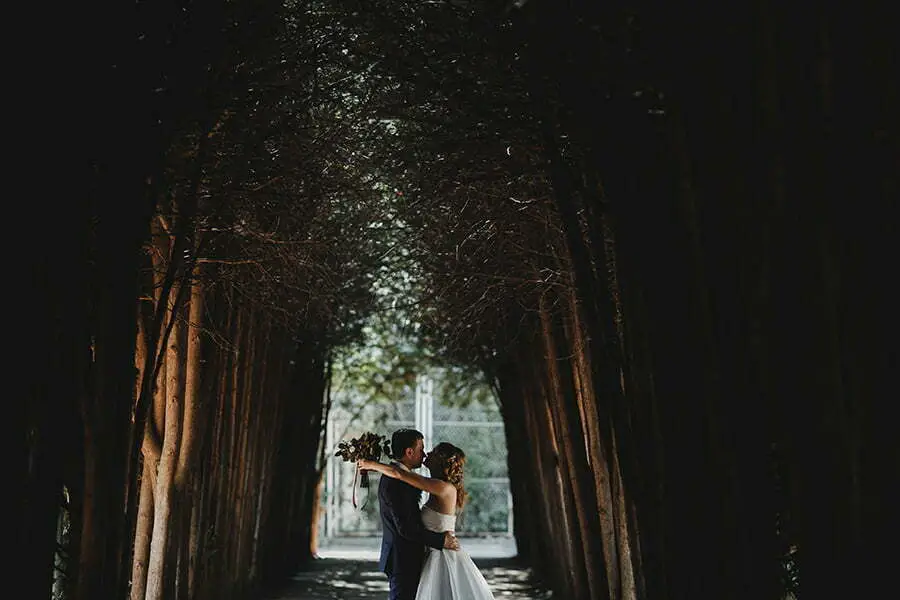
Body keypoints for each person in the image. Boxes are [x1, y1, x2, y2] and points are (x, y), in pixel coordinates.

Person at [360, 439, 496, 600]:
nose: (427, 454)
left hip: (441, 557)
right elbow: (401, 475)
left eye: (433, 452)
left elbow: (400, 474)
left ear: (441, 461)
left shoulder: (443, 488)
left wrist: (370, 464)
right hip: (431, 553)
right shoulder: (437, 485)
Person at [372, 428, 460, 600]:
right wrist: (441, 541)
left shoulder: (406, 479)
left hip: (413, 558)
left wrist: (371, 465)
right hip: (403, 560)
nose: (425, 454)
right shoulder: (398, 481)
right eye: (421, 449)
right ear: (409, 452)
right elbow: (406, 528)